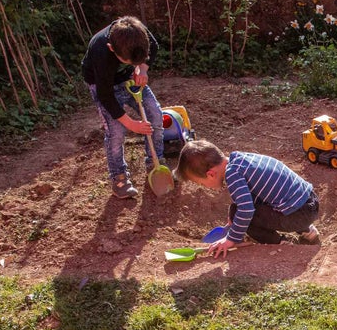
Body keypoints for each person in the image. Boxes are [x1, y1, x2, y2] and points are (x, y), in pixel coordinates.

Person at [81, 16, 177, 199]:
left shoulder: (136, 32)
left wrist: (142, 68)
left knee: (155, 114)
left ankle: (155, 162)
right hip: (102, 85)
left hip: (129, 79)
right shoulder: (101, 50)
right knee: (116, 131)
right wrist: (130, 123)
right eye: (128, 62)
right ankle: (119, 177)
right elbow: (105, 96)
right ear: (112, 49)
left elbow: (153, 47)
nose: (132, 64)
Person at [176, 140, 320, 255]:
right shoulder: (239, 159)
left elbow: (246, 210)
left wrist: (231, 239)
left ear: (211, 174)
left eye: (201, 183)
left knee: (246, 219)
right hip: (309, 202)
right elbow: (258, 194)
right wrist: (234, 219)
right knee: (237, 211)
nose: (204, 186)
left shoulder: (232, 175)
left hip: (298, 214)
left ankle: (280, 243)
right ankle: (308, 231)